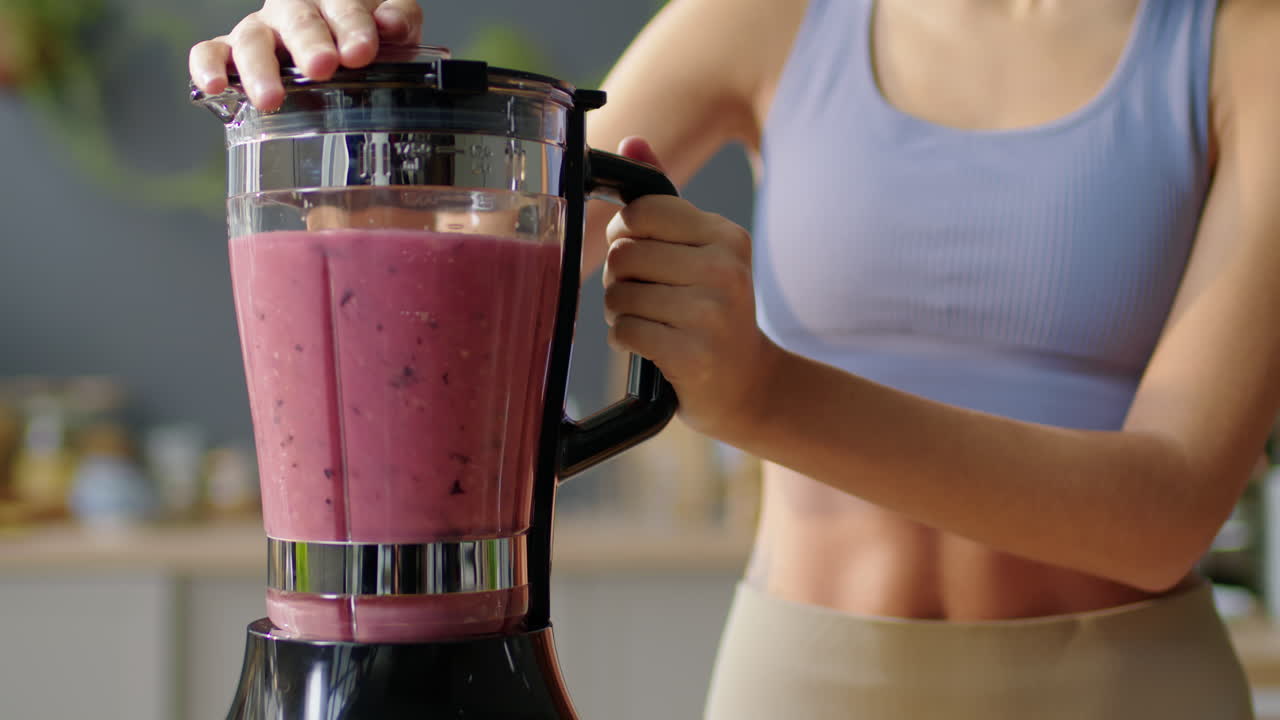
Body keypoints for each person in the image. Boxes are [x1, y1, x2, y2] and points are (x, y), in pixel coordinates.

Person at [191, 1, 1280, 717]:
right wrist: (342, 110)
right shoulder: (773, 14)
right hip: (804, 687)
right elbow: (456, 260)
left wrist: (764, 397)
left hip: (1130, 690)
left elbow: (1167, 513)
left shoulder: (1248, 46)